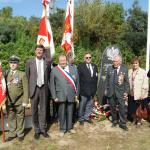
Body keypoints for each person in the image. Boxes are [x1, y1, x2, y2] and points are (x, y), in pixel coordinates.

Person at [50, 55, 79, 137]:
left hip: (71, 94)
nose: (62, 62)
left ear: (66, 60)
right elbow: (52, 84)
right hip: (60, 95)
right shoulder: (54, 70)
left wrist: (77, 94)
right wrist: (54, 96)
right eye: (61, 60)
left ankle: (69, 128)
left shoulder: (73, 68)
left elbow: (77, 83)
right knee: (61, 112)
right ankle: (62, 129)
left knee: (70, 112)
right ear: (58, 61)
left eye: (64, 60)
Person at [26, 45, 50, 139]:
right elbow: (28, 77)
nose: (39, 51)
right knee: (34, 110)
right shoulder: (29, 62)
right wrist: (30, 88)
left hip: (44, 88)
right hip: (34, 89)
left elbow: (48, 74)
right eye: (38, 50)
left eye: (41, 50)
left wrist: (47, 48)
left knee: (43, 110)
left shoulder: (47, 62)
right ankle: (36, 130)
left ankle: (43, 129)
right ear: (35, 51)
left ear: (43, 52)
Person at [5, 55, 29, 142]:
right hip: (8, 101)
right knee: (11, 118)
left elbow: (26, 89)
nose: (13, 64)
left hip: (19, 101)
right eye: (11, 63)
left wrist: (25, 101)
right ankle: (12, 133)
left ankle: (20, 134)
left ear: (18, 64)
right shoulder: (5, 74)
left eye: (15, 63)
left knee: (20, 118)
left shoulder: (22, 74)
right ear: (9, 64)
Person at [105, 55, 129, 131]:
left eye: (115, 61)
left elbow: (126, 82)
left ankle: (122, 123)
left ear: (119, 61)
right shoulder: (110, 68)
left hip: (120, 93)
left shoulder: (124, 69)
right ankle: (114, 121)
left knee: (122, 108)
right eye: (113, 61)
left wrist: (126, 92)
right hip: (111, 92)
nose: (114, 62)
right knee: (112, 108)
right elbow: (107, 80)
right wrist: (106, 89)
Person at [77, 52, 98, 125]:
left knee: (89, 105)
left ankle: (86, 117)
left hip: (92, 90)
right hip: (83, 91)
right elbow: (78, 79)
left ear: (91, 58)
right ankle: (81, 118)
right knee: (82, 106)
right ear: (84, 58)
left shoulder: (94, 66)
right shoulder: (80, 66)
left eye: (89, 57)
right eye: (87, 57)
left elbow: (96, 78)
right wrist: (79, 91)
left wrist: (95, 90)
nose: (88, 59)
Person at [128, 57, 149, 124]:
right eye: (133, 63)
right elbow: (127, 82)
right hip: (131, 93)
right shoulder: (130, 71)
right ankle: (134, 119)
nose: (135, 64)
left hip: (140, 94)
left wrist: (142, 94)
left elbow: (145, 84)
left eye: (136, 63)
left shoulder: (143, 72)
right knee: (132, 108)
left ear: (139, 63)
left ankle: (139, 120)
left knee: (139, 109)